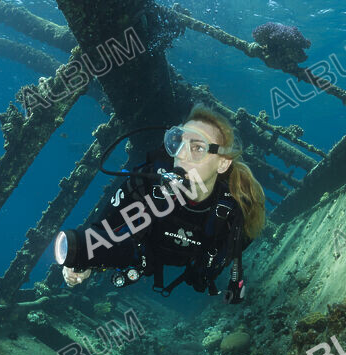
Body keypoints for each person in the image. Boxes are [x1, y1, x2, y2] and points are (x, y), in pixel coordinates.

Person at [53, 105, 266, 303]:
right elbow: (104, 228)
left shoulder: (235, 208)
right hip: (147, 254)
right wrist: (85, 262)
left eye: (197, 148)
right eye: (179, 142)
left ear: (222, 163)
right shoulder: (145, 184)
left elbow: (236, 247)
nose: (181, 154)